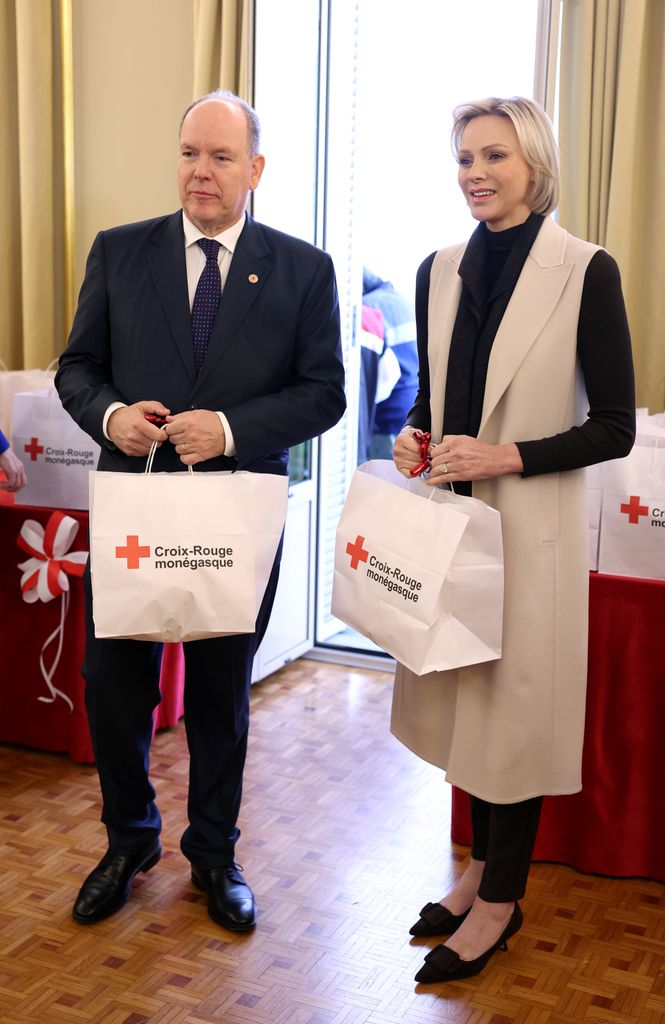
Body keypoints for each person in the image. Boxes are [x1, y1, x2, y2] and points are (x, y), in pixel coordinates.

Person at [55, 90, 345, 931]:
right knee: (115, 686)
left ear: (255, 170)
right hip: (134, 507)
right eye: (189, 152)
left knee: (221, 692)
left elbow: (324, 393)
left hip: (234, 512)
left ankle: (213, 854)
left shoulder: (302, 270)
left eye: (220, 157)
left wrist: (224, 429)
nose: (200, 171)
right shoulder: (120, 252)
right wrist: (113, 419)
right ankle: (129, 839)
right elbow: (78, 369)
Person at [391, 96, 635, 983]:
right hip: (452, 524)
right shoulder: (439, 268)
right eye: (463, 158)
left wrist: (508, 454)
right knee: (465, 705)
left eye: (493, 155)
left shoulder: (586, 270)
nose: (475, 174)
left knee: (513, 711)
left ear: (534, 162)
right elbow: (435, 397)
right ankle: (475, 872)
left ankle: (500, 896)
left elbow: (614, 427)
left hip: (530, 529)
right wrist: (414, 435)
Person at [361, 268, 418, 460]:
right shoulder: (405, 303)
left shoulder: (367, 308)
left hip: (386, 419)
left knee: (379, 483)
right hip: (412, 414)